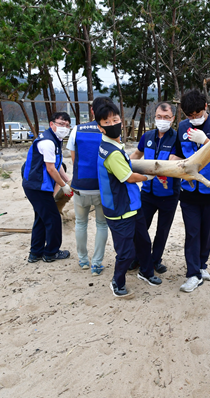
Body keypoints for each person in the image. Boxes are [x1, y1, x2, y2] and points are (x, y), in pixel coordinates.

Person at [96, 102, 162, 297]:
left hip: (133, 205)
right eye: (106, 122)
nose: (112, 124)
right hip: (119, 209)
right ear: (100, 127)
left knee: (143, 242)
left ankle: (146, 272)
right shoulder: (112, 152)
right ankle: (117, 282)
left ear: (121, 121)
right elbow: (129, 177)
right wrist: (150, 176)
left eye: (115, 120)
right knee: (126, 252)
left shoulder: (113, 145)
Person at [172, 89, 210, 293]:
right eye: (190, 116)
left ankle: (202, 265)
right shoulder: (182, 126)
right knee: (192, 231)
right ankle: (192, 274)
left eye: (197, 115)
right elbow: (176, 155)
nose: (193, 119)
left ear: (206, 108)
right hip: (189, 189)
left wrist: (206, 142)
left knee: (207, 231)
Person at [129, 102, 180, 274]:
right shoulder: (147, 136)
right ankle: (137, 257)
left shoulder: (177, 138)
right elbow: (137, 154)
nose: (162, 120)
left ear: (172, 118)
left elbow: (173, 161)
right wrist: (122, 163)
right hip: (148, 193)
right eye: (159, 117)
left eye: (166, 117)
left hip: (169, 193)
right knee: (141, 227)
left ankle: (155, 260)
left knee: (162, 230)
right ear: (155, 117)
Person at [66, 97, 114, 276]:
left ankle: (83, 259)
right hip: (101, 188)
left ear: (92, 111)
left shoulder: (77, 129)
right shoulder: (110, 130)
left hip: (81, 186)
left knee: (81, 223)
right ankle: (97, 264)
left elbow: (73, 159)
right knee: (102, 225)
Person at [22, 112, 73, 263]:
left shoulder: (56, 140)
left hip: (38, 186)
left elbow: (58, 165)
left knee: (41, 218)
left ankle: (35, 253)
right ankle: (51, 252)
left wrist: (67, 180)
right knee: (53, 218)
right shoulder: (48, 142)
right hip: (37, 187)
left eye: (67, 125)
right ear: (52, 124)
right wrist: (64, 186)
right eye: (61, 124)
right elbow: (50, 169)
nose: (64, 127)